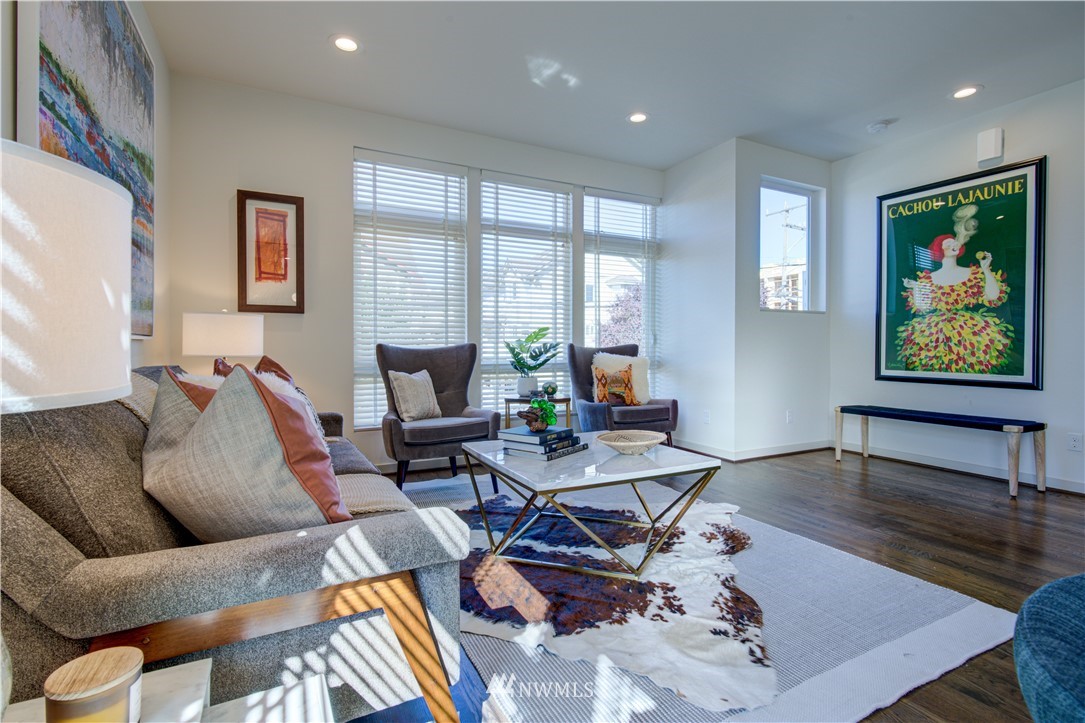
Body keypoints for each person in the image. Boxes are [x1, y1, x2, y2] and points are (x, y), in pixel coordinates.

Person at [896, 204, 1012, 373]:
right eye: (947, 243)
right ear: (939, 249)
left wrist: (986, 269)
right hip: (934, 333)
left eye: (954, 242)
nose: (953, 245)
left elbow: (993, 296)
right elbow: (922, 307)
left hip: (969, 332)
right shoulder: (929, 279)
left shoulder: (972, 273)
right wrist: (915, 287)